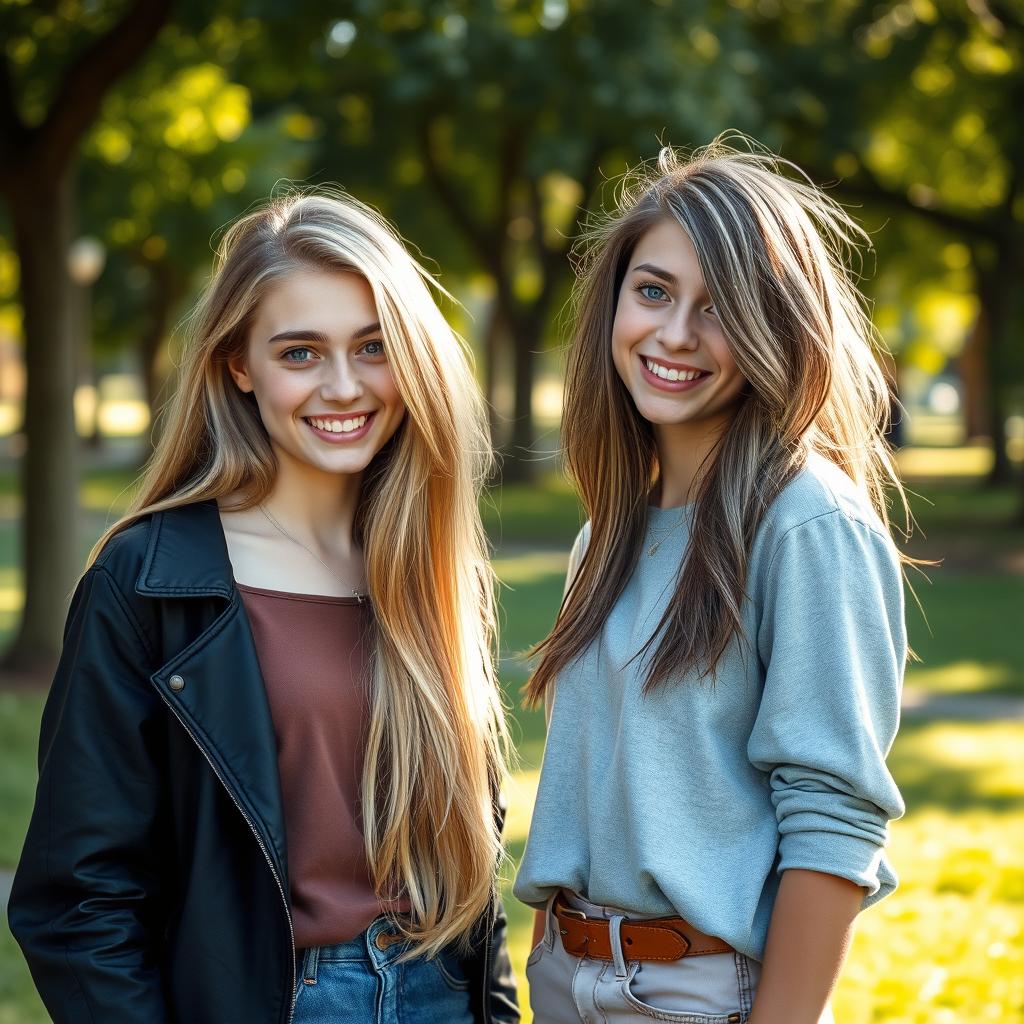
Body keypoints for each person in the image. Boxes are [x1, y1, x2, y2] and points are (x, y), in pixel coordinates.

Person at [9, 191, 519, 1024]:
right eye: (301, 353)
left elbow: (471, 865)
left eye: (373, 347)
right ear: (239, 365)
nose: (344, 385)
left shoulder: (428, 564)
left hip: (438, 993)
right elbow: (76, 901)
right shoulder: (150, 582)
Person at [513, 136, 911, 1024]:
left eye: (720, 306)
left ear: (778, 327)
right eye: (653, 291)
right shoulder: (609, 533)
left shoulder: (807, 525)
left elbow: (833, 823)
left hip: (695, 996)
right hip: (569, 982)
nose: (676, 334)